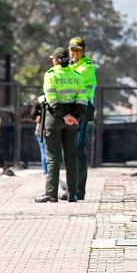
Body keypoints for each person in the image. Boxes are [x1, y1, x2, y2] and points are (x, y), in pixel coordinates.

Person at [35, 47, 87, 203]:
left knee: (53, 158)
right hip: (73, 121)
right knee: (71, 158)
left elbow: (51, 99)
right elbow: (83, 99)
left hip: (54, 119)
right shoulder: (77, 76)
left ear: (55, 60)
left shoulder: (51, 75)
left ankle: (51, 193)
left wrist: (64, 116)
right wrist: (73, 116)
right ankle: (72, 194)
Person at [68, 37, 97, 200]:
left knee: (78, 149)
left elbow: (71, 80)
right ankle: (72, 186)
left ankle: (79, 190)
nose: (75, 53)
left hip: (82, 110)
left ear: (83, 51)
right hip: (71, 109)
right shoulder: (72, 66)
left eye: (78, 50)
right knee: (70, 150)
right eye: (72, 49)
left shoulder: (86, 67)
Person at [30, 95, 48, 176]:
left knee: (43, 150)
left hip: (41, 128)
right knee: (49, 151)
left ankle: (46, 172)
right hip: (50, 127)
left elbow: (33, 114)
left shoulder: (40, 100)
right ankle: (48, 171)